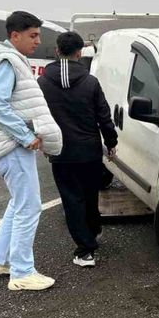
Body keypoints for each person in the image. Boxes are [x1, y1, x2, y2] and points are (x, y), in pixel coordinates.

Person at [0, 11, 63, 290]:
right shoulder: (7, 61)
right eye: (33, 35)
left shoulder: (5, 59)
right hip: (11, 145)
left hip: (6, 144)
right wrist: (25, 136)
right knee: (29, 206)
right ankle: (22, 273)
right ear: (15, 35)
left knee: (18, 203)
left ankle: (1, 260)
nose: (38, 41)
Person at [38, 32, 118, 268]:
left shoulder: (42, 83)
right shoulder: (90, 82)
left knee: (72, 199)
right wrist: (111, 142)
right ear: (79, 52)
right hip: (89, 150)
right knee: (90, 194)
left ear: (56, 51)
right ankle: (94, 233)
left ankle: (85, 251)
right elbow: (104, 116)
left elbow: (38, 118)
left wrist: (43, 142)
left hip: (60, 152)